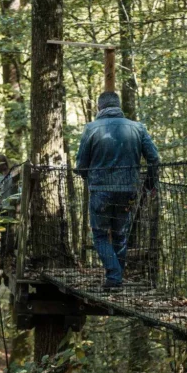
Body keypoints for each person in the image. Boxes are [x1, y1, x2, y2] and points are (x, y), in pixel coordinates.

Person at [75, 91, 160, 290]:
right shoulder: (137, 128)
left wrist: (89, 178)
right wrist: (149, 183)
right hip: (128, 190)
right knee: (120, 233)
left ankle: (114, 277)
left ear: (99, 107)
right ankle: (117, 278)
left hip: (100, 190)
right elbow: (154, 158)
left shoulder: (91, 129)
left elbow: (81, 165)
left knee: (100, 235)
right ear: (118, 106)